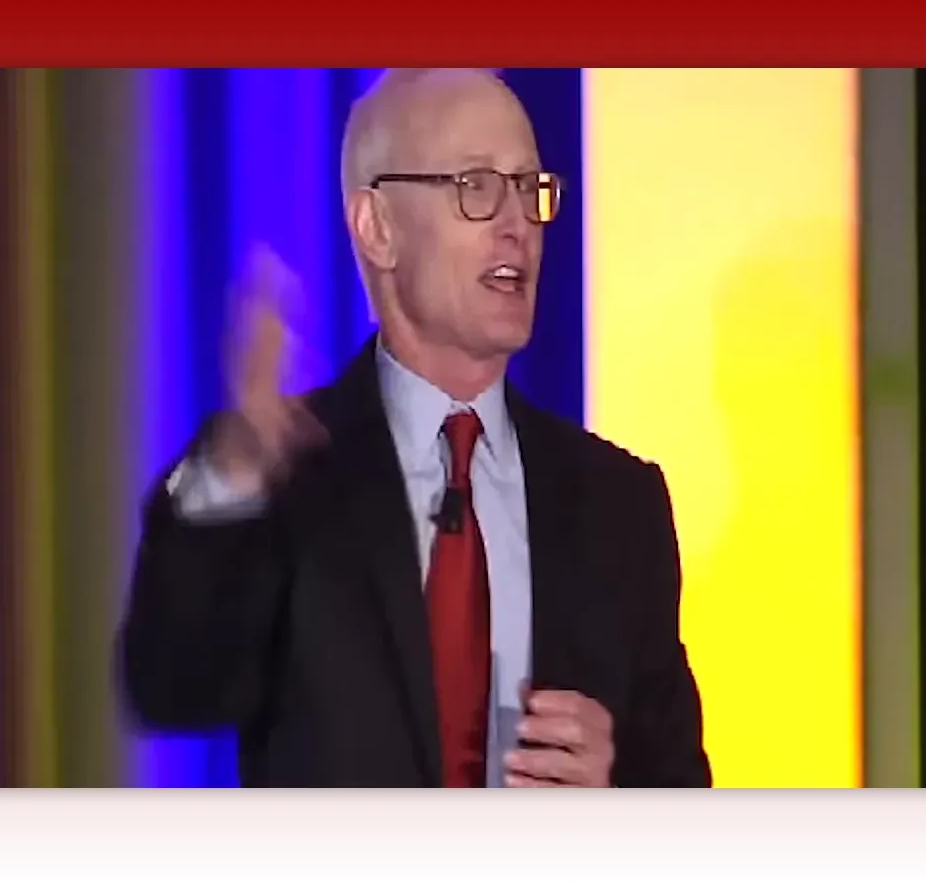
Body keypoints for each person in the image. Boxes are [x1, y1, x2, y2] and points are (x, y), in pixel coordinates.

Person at [118, 68, 711, 787]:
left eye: (530, 189)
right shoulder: (285, 480)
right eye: (476, 187)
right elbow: (174, 690)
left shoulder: (620, 503)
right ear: (379, 229)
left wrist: (615, 801)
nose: (517, 223)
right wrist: (234, 479)